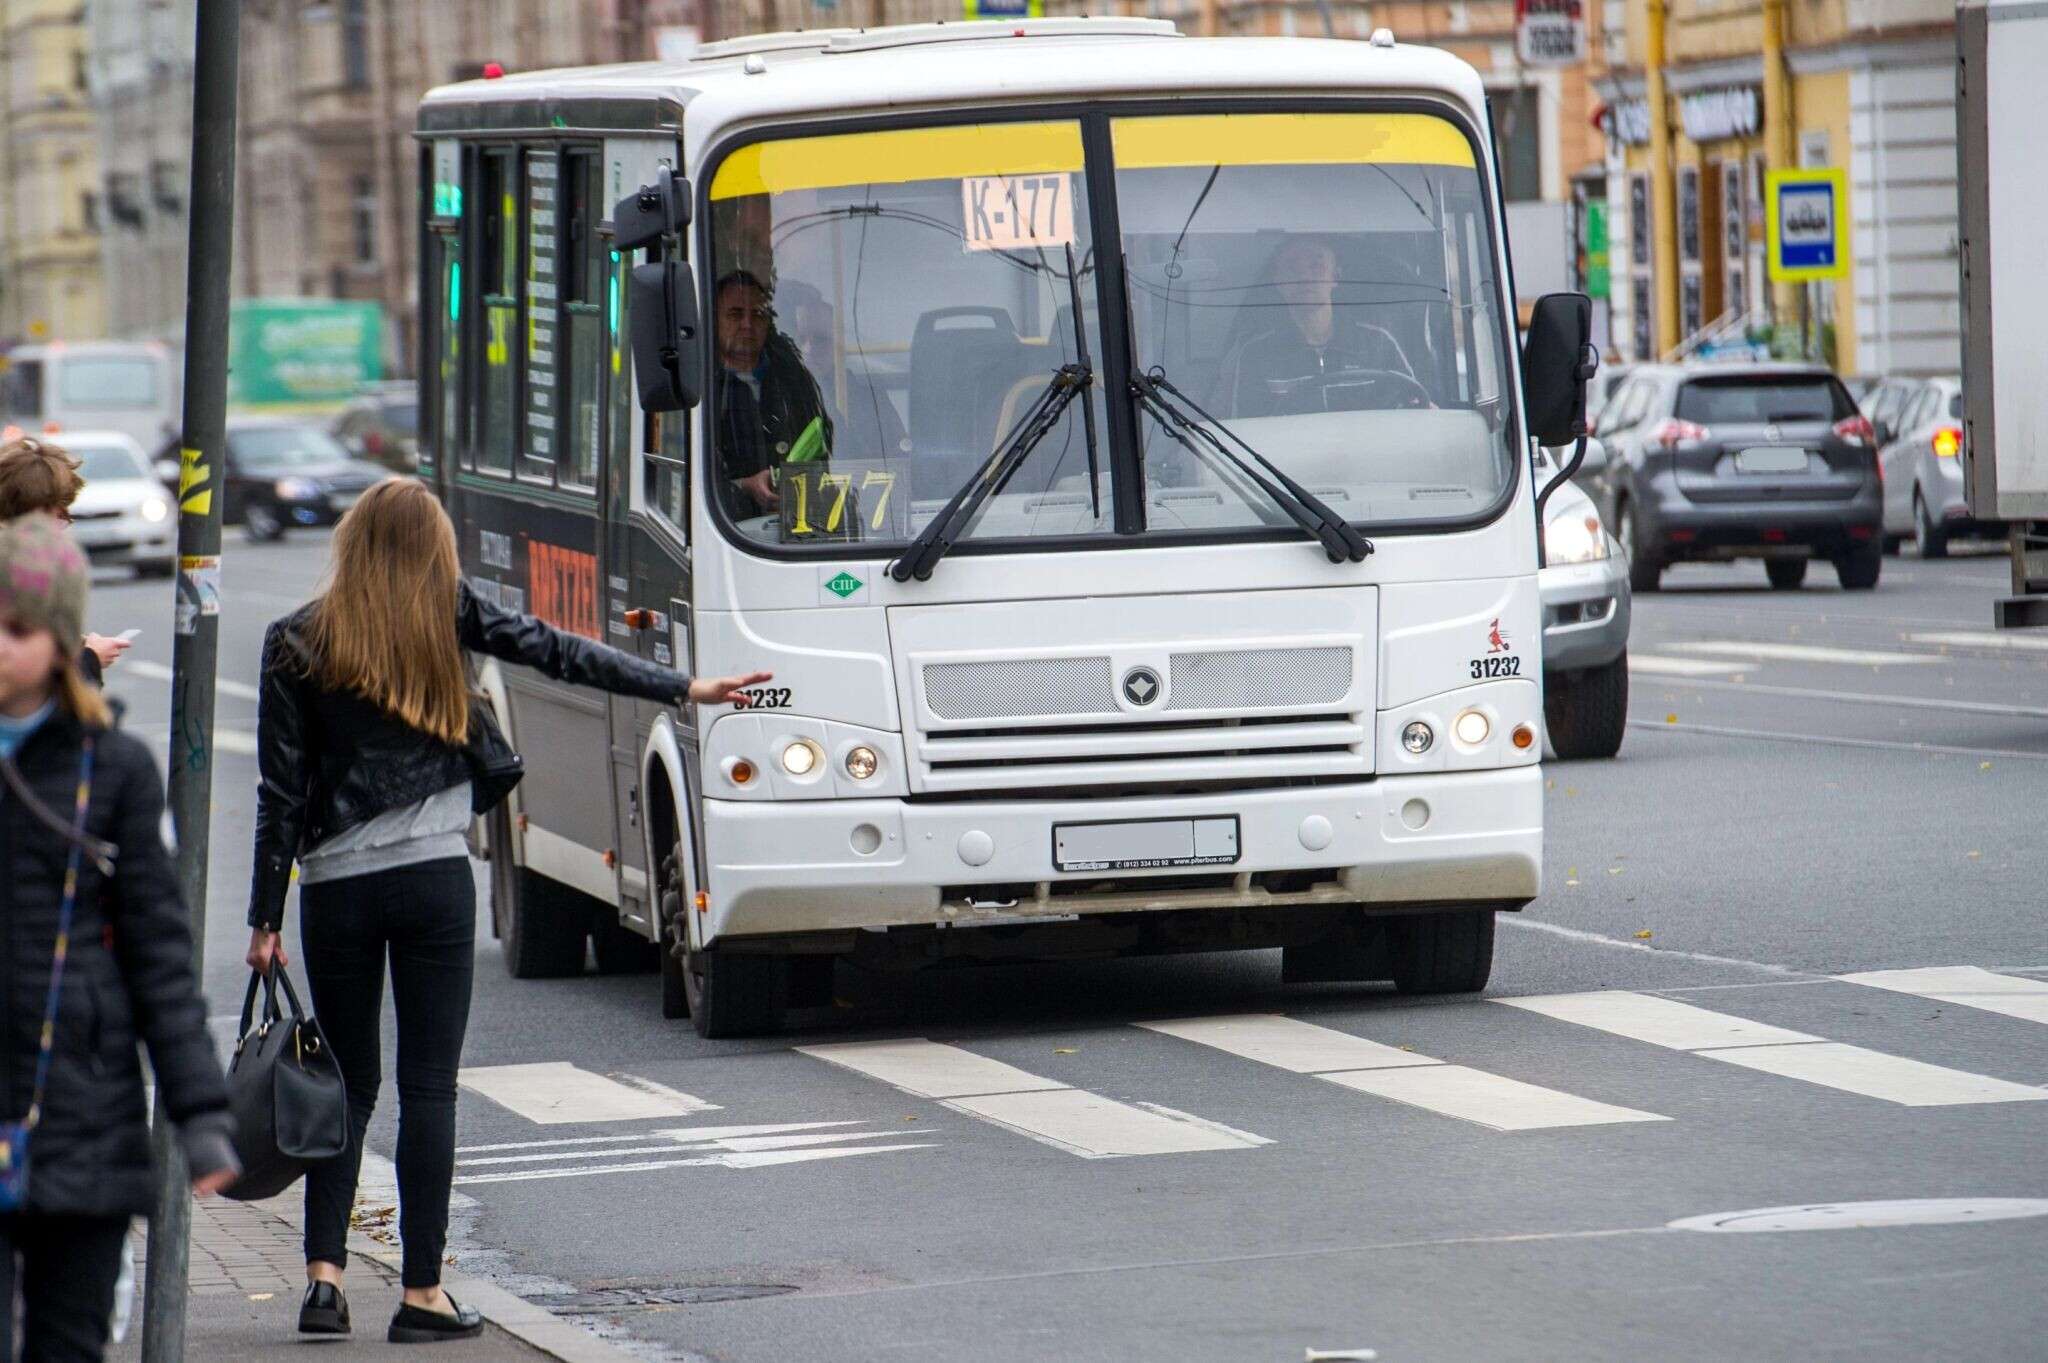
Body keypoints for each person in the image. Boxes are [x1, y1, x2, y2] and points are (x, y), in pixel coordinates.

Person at [243, 479, 767, 1344]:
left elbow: (279, 793)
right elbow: (561, 652)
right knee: (426, 1086)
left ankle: (324, 1282)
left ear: (351, 545)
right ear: (433, 548)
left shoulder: (296, 640)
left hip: (335, 889)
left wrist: (266, 917)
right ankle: (420, 1294)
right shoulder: (444, 613)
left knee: (346, 1083)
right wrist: (685, 684)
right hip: (433, 882)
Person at [0, 512, 239, 1363]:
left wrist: (202, 1110)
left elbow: (159, 955)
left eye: (18, 627)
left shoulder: (117, 770)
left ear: (62, 638)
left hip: (81, 1114)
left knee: (68, 1343)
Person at [1222, 237, 1423, 418]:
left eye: (1316, 266)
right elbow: (1247, 431)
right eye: (1292, 268)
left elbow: (1413, 412)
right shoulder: (1256, 354)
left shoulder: (1378, 343)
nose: (1305, 277)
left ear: (1335, 276)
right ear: (1278, 282)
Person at [0, 437, 135, 680]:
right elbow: (28, 681)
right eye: (59, 515)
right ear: (37, 510)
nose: (60, 526)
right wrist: (90, 659)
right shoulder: (28, 563)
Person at [711, 270, 831, 516]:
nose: (747, 325)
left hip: (804, 528)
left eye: (757, 315)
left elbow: (831, 445)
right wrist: (744, 486)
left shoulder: (796, 379)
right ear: (714, 321)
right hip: (728, 531)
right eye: (735, 314)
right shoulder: (701, 387)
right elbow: (688, 479)